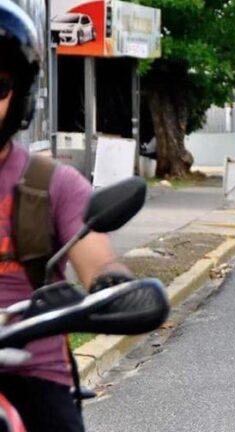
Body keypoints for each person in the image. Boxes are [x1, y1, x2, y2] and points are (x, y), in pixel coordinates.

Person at [0, 1, 134, 431]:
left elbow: (98, 263)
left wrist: (112, 288)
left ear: (20, 94)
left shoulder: (51, 183)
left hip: (29, 372)